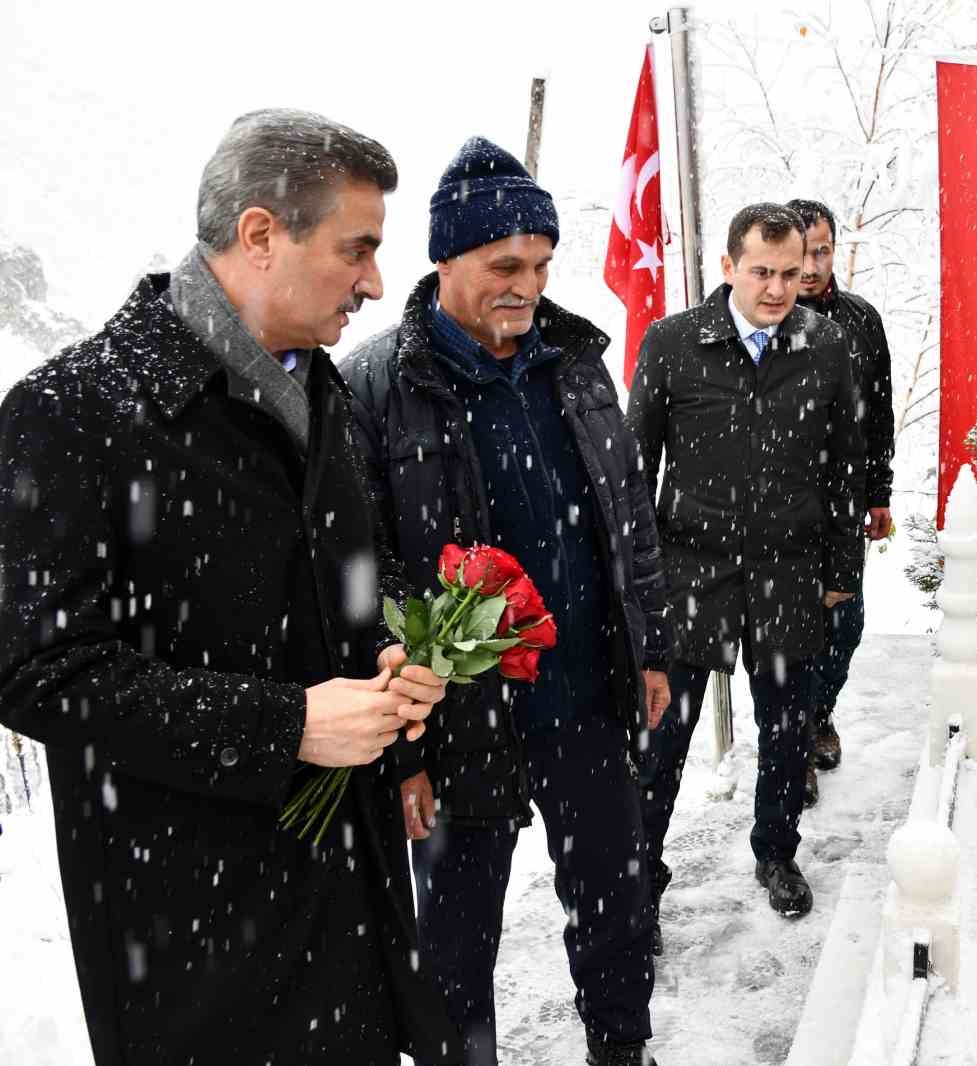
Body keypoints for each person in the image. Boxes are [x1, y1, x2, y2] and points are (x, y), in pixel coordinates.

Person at [0, 109, 456, 1065]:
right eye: (357, 250)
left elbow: (353, 574)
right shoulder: (72, 412)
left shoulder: (320, 390)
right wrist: (286, 725)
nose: (377, 283)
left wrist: (401, 648)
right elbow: (39, 670)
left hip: (352, 900)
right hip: (195, 942)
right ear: (260, 235)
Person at [342, 137, 671, 1066]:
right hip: (458, 723)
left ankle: (620, 1047)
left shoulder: (577, 363)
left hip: (583, 697)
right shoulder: (377, 386)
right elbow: (366, 581)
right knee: (454, 942)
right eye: (503, 267)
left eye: (540, 265)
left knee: (614, 899)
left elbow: (627, 517)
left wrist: (649, 648)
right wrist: (403, 746)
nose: (527, 287)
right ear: (444, 260)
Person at [626, 203, 865, 931]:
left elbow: (845, 467)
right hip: (691, 569)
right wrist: (639, 581)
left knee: (788, 729)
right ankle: (642, 872)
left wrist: (841, 567)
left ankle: (776, 851)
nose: (777, 288)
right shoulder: (672, 344)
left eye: (791, 272)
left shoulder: (826, 345)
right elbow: (636, 466)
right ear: (727, 266)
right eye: (762, 271)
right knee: (663, 734)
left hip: (788, 569)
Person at [786, 198, 895, 806]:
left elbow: (878, 416)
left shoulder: (861, 321)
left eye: (822, 250)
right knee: (788, 632)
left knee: (843, 624)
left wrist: (878, 493)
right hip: (776, 505)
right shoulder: (763, 319)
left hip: (843, 503)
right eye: (802, 252)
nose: (811, 265)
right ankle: (792, 742)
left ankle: (818, 712)